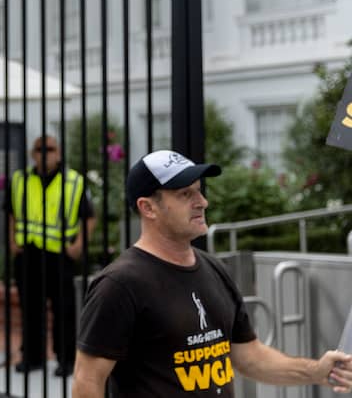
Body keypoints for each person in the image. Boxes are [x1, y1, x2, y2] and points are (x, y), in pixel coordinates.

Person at [73, 150, 352, 397]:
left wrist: (317, 371)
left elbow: (249, 357)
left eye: (199, 190)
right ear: (148, 207)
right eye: (185, 194)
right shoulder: (119, 284)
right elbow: (87, 382)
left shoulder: (214, 268)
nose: (202, 202)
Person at [6, 134, 95, 376]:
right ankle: (33, 358)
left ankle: (66, 360)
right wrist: (12, 240)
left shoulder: (74, 181)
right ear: (32, 154)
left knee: (64, 310)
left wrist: (78, 245)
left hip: (59, 256)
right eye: (40, 149)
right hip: (28, 254)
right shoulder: (20, 179)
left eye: (50, 149)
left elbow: (89, 217)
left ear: (59, 153)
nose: (45, 153)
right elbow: (11, 211)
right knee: (30, 309)